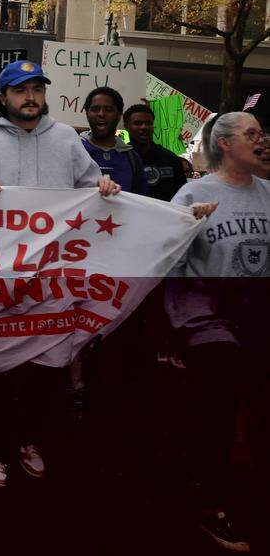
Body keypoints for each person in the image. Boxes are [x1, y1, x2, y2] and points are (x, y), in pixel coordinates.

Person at [0, 59, 120, 488]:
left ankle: (30, 440)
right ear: (3, 97)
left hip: (52, 274)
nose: (31, 97)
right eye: (21, 90)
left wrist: (104, 189)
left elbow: (89, 189)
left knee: (46, 363)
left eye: (37, 89)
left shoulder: (66, 138)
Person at [166, 111, 266, 554]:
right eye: (252, 134)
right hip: (207, 316)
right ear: (224, 144)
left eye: (263, 133)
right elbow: (164, 252)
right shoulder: (195, 191)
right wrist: (186, 224)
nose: (262, 140)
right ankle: (210, 502)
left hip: (258, 315)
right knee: (216, 410)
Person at [81, 86, 149, 195]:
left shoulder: (132, 158)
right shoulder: (75, 151)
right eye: (95, 109)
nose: (101, 114)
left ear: (119, 115)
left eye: (108, 109)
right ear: (87, 113)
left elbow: (141, 201)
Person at [123, 103, 188, 201]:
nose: (144, 127)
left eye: (148, 123)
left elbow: (182, 195)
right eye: (138, 123)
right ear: (126, 126)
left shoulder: (170, 159)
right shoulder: (120, 158)